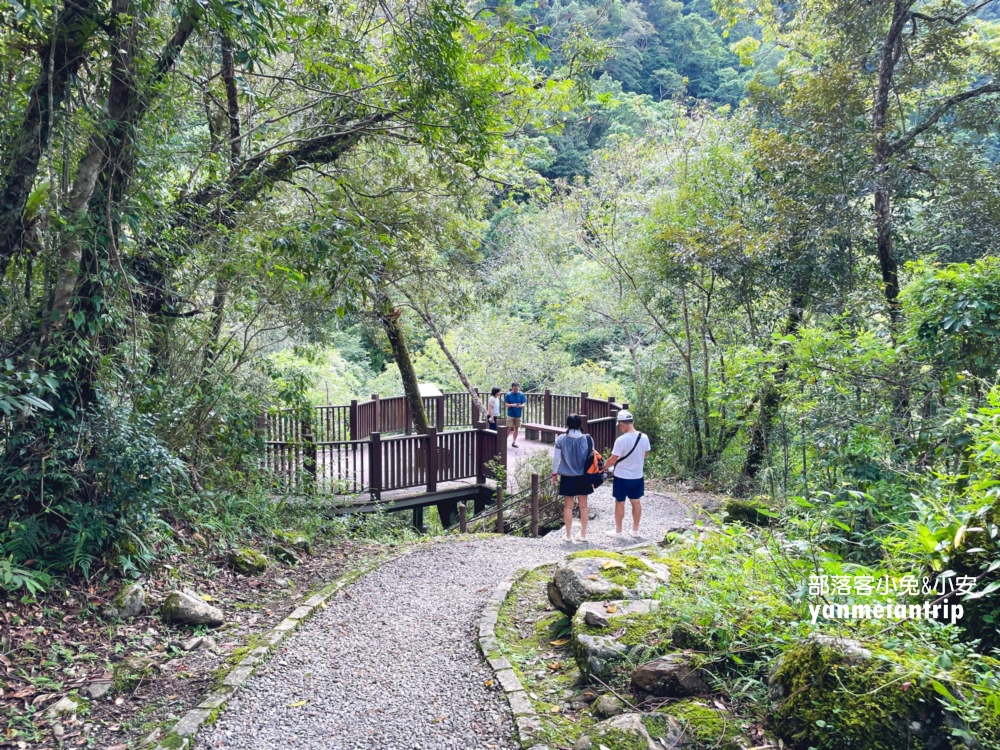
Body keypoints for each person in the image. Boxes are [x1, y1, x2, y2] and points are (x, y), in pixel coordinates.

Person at [602, 410, 650, 538]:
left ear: (622, 424)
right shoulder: (644, 437)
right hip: (637, 476)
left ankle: (618, 531)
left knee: (620, 502)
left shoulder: (621, 440)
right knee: (636, 502)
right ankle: (635, 530)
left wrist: (604, 468)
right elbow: (645, 455)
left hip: (622, 477)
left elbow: (613, 459)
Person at [551, 414, 594, 543]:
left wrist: (554, 473)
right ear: (580, 424)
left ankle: (568, 535)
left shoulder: (561, 439)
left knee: (568, 507)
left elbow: (556, 459)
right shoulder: (588, 439)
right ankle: (583, 535)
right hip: (583, 476)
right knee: (584, 506)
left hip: (567, 476)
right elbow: (592, 458)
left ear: (567, 424)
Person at [504, 382, 527, 447]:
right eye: (514, 388)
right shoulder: (508, 395)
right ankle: (504, 441)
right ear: (512, 388)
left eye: (517, 388)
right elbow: (506, 404)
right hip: (510, 414)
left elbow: (524, 404)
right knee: (508, 428)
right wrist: (512, 405)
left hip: (518, 414)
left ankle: (514, 442)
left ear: (518, 388)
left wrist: (520, 406)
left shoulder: (521, 394)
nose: (516, 390)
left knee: (516, 428)